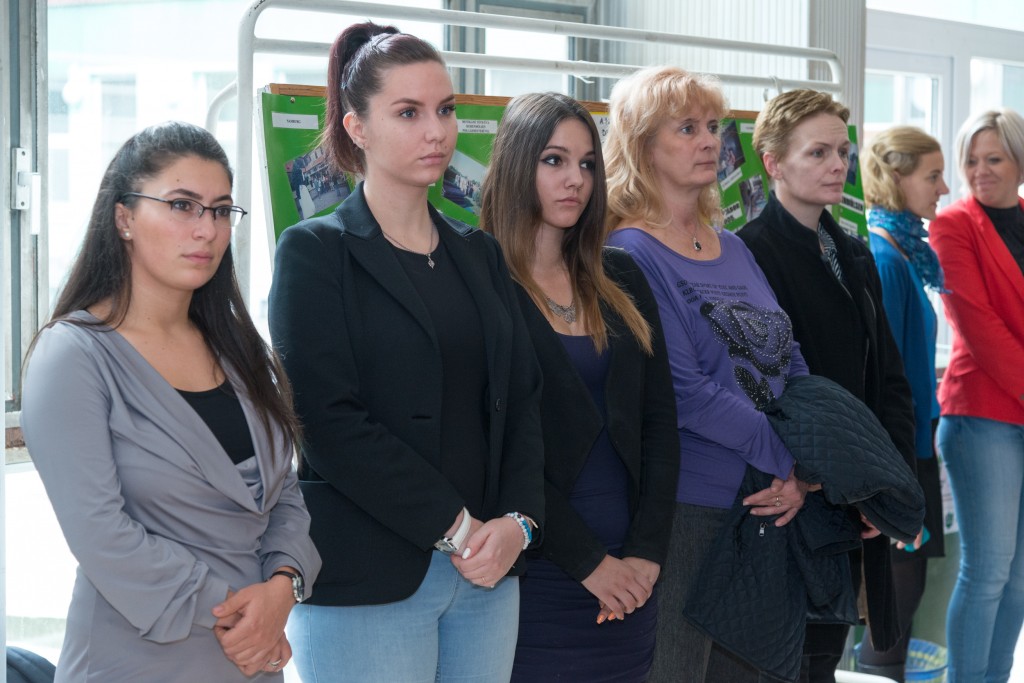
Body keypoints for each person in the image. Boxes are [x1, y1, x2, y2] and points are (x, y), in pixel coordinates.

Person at [268, 22, 545, 683]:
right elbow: (325, 420)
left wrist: (519, 522)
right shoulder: (315, 252)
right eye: (408, 113)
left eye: (445, 110)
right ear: (357, 127)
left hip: (487, 573)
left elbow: (521, 400)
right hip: (370, 575)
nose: (436, 132)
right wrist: (455, 526)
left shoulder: (479, 253)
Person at [19, 121, 321, 682]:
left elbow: (284, 495)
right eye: (182, 205)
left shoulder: (236, 348)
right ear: (124, 218)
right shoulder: (74, 356)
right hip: (137, 661)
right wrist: (244, 614)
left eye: (221, 210)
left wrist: (284, 586)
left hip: (251, 658)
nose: (207, 229)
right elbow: (102, 535)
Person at [603, 65, 814, 683]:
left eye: (714, 127)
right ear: (643, 144)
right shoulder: (628, 251)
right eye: (687, 128)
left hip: (766, 504)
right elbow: (686, 393)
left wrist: (803, 461)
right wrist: (789, 459)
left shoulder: (735, 245)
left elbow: (789, 355)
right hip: (689, 509)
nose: (709, 142)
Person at [479, 91, 679, 682]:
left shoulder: (621, 274)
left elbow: (659, 424)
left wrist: (646, 554)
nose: (576, 180)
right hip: (538, 571)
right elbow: (495, 447)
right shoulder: (480, 280)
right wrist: (590, 563)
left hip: (633, 578)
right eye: (554, 160)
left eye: (587, 163)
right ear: (516, 164)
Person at [737, 89, 918, 683]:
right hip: (791, 495)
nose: (838, 165)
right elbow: (762, 391)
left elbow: (887, 380)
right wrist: (821, 477)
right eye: (817, 153)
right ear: (772, 162)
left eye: (842, 152)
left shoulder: (854, 255)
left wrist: (883, 484)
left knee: (825, 659)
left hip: (852, 495)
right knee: (789, 659)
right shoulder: (749, 255)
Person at [930, 108, 1024, 683]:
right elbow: (980, 329)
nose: (979, 170)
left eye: (994, 158)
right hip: (982, 414)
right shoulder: (952, 226)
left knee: (1020, 580)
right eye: (971, 159)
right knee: (988, 572)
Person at [856, 125, 949, 680]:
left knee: (904, 595)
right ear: (895, 176)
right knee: (894, 599)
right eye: (933, 176)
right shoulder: (885, 257)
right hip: (900, 451)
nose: (943, 189)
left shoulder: (905, 250)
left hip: (916, 441)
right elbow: (883, 375)